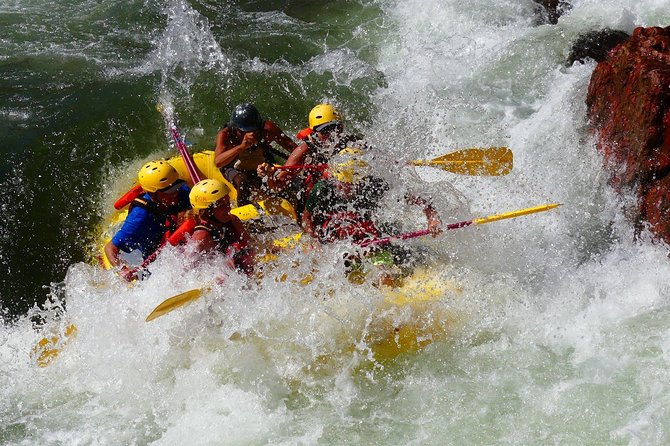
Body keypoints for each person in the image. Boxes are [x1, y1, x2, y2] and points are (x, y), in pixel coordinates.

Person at [301, 148, 442, 285]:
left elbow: (419, 199)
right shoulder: (323, 188)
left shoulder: (374, 186)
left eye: (352, 185)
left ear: (362, 180)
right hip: (336, 244)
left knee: (384, 279)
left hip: (371, 243)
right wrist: (313, 240)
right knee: (318, 275)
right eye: (342, 184)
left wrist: (433, 218)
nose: (346, 189)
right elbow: (306, 218)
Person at [259, 103, 368, 217]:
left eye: (335, 128)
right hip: (313, 197)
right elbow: (277, 186)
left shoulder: (353, 143)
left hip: (343, 193)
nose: (332, 134)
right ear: (315, 132)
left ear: (341, 127)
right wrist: (269, 176)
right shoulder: (305, 150)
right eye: (325, 131)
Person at [104, 160, 191, 281]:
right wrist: (122, 269)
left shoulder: (181, 191)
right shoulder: (139, 217)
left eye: (176, 186)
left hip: (179, 238)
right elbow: (110, 247)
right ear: (154, 194)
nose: (175, 193)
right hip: (158, 256)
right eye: (169, 191)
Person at [214, 103, 297, 207]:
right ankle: (243, 214)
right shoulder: (225, 134)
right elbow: (218, 162)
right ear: (236, 129)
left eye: (253, 130)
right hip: (234, 168)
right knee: (242, 181)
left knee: (285, 187)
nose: (250, 134)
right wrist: (242, 146)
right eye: (244, 131)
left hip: (260, 167)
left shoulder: (268, 129)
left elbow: (294, 148)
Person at [188, 179, 255, 276]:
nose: (229, 208)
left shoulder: (232, 219)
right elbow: (188, 269)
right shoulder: (202, 237)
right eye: (222, 205)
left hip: (237, 270)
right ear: (207, 211)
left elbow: (250, 243)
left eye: (228, 203)